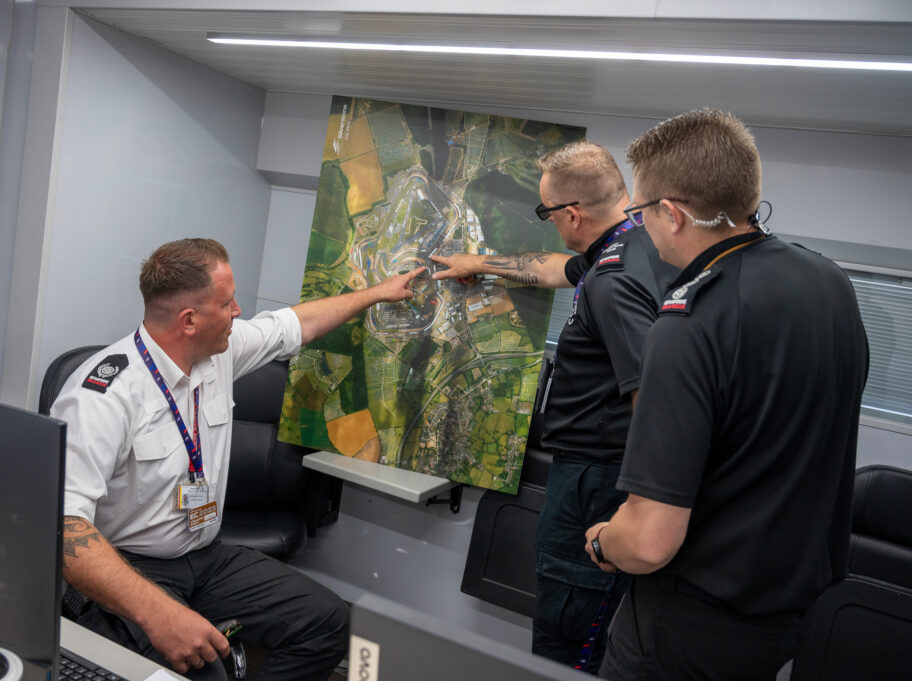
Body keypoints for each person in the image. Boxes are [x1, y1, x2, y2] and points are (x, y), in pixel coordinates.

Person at [52, 238, 424, 681]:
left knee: (327, 622)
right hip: (131, 569)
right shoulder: (103, 395)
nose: (238, 311)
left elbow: (295, 324)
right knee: (201, 674)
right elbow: (64, 526)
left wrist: (378, 292)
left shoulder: (218, 354)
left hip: (205, 558)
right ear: (189, 320)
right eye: (227, 302)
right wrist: (160, 614)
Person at [584, 109, 869, 681]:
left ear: (673, 213)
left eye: (640, 212)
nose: (639, 226)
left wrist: (602, 540)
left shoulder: (689, 323)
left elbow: (649, 542)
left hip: (687, 628)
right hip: (780, 620)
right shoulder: (828, 283)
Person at [431, 140, 676, 673]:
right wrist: (480, 263)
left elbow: (652, 401)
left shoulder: (612, 284)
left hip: (596, 476)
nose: (549, 224)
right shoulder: (637, 245)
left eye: (547, 213)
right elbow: (559, 268)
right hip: (599, 470)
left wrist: (637, 505)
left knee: (568, 626)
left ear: (571, 214)